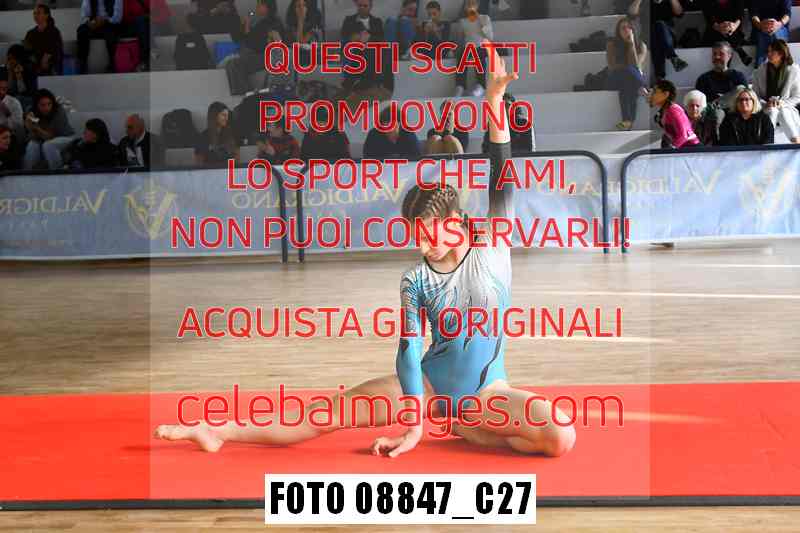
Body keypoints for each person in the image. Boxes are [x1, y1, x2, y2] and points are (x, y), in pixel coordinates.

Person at [154, 44, 577, 459]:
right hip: (427, 389)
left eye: (429, 235)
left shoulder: (493, 245)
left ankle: (471, 428)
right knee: (323, 415)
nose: (421, 246)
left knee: (560, 436)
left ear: (454, 221)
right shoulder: (417, 279)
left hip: (486, 395)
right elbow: (409, 351)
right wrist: (414, 424)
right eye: (415, 236)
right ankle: (217, 430)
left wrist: (495, 100)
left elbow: (501, 173)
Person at [226, 1, 286, 95]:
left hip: (268, 56)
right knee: (231, 63)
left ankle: (243, 94)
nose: (257, 7)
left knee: (234, 64)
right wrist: (247, 25)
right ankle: (245, 92)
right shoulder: (260, 22)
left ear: (267, 7)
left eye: (259, 5)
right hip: (258, 54)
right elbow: (249, 39)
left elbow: (255, 42)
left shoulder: (273, 22)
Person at [752, 40, 800, 144]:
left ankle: (796, 142)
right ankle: (768, 143)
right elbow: (754, 96)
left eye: (772, 52)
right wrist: (766, 104)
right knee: (772, 110)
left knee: (781, 110)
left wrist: (781, 103)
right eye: (768, 51)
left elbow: (797, 96)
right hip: (765, 108)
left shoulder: (794, 70)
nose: (768, 54)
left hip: (786, 108)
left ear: (781, 54)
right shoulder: (758, 71)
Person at [336, 24, 394, 110]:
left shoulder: (375, 47)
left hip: (378, 89)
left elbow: (372, 76)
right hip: (376, 88)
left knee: (343, 108)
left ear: (363, 33)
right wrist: (346, 87)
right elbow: (354, 73)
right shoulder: (362, 47)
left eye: (353, 39)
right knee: (337, 102)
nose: (352, 42)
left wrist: (349, 88)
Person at [628, 0, 687, 81]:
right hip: (648, 35)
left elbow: (679, 13)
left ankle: (660, 75)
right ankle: (673, 57)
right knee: (654, 33)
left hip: (668, 36)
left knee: (659, 27)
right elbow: (631, 14)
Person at [606, 17, 648, 131]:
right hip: (614, 79)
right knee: (628, 72)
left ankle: (627, 121)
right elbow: (612, 66)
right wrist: (628, 67)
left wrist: (631, 44)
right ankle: (643, 87)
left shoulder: (641, 46)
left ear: (633, 30)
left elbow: (636, 65)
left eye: (629, 27)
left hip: (629, 81)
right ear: (618, 31)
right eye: (623, 28)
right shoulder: (611, 44)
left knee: (627, 86)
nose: (626, 30)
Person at [23, 89, 75, 170]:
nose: (46, 108)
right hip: (42, 138)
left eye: (49, 104)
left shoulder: (58, 111)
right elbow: (32, 137)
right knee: (32, 146)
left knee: (48, 145)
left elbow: (50, 137)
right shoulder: (31, 111)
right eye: (42, 105)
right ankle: (27, 173)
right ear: (36, 105)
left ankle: (57, 173)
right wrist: (29, 126)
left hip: (65, 137)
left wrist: (36, 128)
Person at [453, 0, 493, 97]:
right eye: (468, 4)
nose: (471, 6)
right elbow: (460, 39)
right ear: (465, 7)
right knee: (462, 57)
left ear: (477, 5)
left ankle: (481, 85)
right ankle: (460, 86)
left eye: (473, 3)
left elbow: (490, 37)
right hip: (468, 47)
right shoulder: (463, 21)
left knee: (479, 54)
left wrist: (480, 21)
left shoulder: (485, 18)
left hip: (482, 46)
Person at [121, 0, 173, 71]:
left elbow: (162, 14)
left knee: (146, 25)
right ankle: (153, 55)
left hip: (157, 23)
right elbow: (125, 16)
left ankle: (146, 60)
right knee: (141, 22)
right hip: (136, 25)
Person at [648, 79, 699, 149]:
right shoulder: (664, 110)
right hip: (684, 150)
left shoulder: (673, 110)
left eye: (655, 92)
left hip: (692, 150)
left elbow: (683, 136)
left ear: (665, 94)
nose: (651, 95)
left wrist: (670, 151)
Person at [77, 0, 123, 74]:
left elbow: (117, 18)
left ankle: (112, 63)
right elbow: (84, 15)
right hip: (94, 23)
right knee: (81, 31)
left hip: (109, 23)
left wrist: (104, 20)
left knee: (111, 34)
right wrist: (89, 22)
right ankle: (82, 64)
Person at [701, 0, 751, 66]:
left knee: (727, 36)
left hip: (733, 30)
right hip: (714, 31)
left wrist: (733, 27)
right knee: (724, 39)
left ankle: (725, 67)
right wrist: (720, 28)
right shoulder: (707, 2)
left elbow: (739, 17)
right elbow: (710, 20)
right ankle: (740, 52)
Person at [23, 3, 64, 76]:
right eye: (34, 13)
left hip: (51, 65)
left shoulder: (54, 31)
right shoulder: (30, 33)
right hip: (35, 65)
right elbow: (27, 49)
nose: (35, 16)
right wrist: (33, 59)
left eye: (38, 13)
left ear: (46, 15)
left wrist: (45, 59)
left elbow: (55, 50)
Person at [194, 101, 239, 167]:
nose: (226, 118)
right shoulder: (203, 136)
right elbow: (199, 162)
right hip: (210, 171)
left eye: (227, 115)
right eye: (223, 115)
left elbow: (236, 157)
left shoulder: (230, 134)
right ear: (214, 116)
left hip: (228, 170)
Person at [750, 1, 791, 67]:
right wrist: (760, 25)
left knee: (773, 34)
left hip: (780, 27)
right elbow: (754, 14)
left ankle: (760, 67)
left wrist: (778, 24)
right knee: (766, 34)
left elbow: (787, 14)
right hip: (760, 28)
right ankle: (783, 67)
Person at [286, 0, 323, 66]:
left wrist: (301, 20)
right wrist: (300, 21)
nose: (301, 8)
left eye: (304, 5)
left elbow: (303, 42)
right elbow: (297, 44)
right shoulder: (290, 28)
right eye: (298, 6)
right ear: (294, 10)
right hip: (296, 62)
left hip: (313, 62)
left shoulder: (314, 24)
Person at [0, 71, 24, 140]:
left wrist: (7, 113)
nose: (1, 91)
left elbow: (18, 127)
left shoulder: (14, 103)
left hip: (10, 136)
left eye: (4, 89)